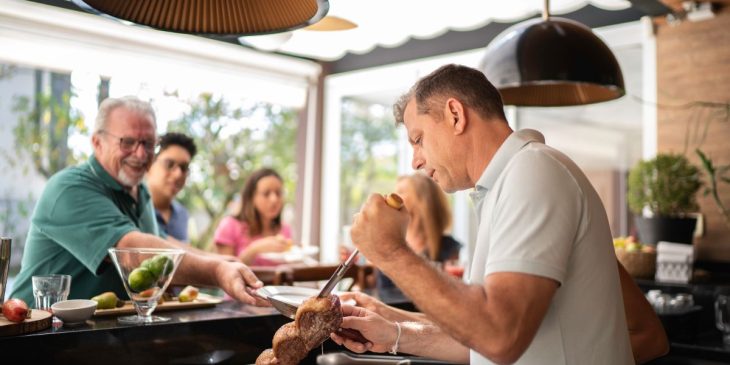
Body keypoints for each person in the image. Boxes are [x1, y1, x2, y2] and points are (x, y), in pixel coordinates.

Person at [331, 64, 668, 364]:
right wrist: (394, 329)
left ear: (455, 115)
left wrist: (390, 251)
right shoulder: (508, 185)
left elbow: (499, 337)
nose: (415, 161)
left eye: (418, 140)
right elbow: (486, 341)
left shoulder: (533, 172)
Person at [9, 96, 266, 306]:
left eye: (149, 143)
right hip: (38, 335)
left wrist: (223, 262)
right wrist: (217, 272)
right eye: (128, 142)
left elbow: (162, 243)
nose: (141, 154)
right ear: (97, 143)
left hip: (99, 336)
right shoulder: (69, 188)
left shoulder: (138, 191)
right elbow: (134, 252)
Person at [377, 173, 461, 293]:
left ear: (422, 199)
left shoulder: (449, 247)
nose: (392, 196)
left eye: (401, 191)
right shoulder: (388, 243)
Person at [214, 168, 292, 266]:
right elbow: (225, 270)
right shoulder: (229, 225)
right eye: (266, 193)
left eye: (278, 193)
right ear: (251, 197)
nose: (274, 199)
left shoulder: (284, 230)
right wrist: (254, 249)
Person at [146, 132, 196, 243]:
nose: (178, 174)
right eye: (169, 164)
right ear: (149, 165)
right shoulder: (132, 208)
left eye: (184, 168)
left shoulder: (182, 215)